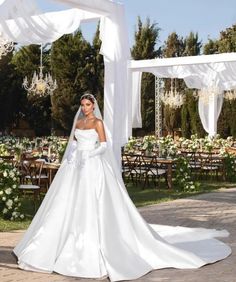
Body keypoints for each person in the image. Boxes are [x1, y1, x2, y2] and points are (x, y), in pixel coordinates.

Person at [13, 93, 231, 282]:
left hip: (93, 167)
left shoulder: (98, 123)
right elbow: (73, 144)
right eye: (82, 105)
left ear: (93, 105)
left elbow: (104, 146)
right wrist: (72, 155)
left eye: (87, 105)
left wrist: (89, 153)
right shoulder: (78, 124)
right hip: (76, 168)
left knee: (94, 202)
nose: (84, 108)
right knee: (65, 203)